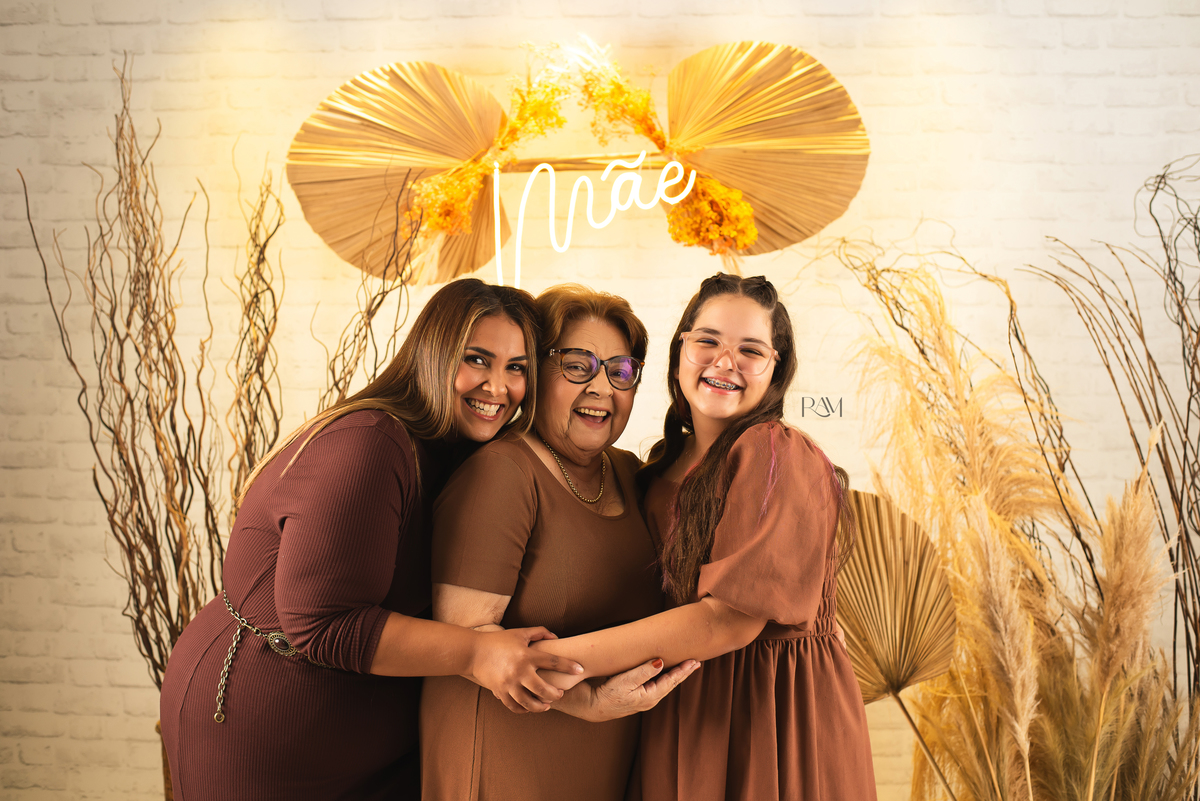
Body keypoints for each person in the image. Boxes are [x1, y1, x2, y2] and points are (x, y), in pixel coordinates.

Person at [159, 279, 585, 801]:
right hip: (265, 723)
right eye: (477, 360)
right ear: (433, 354)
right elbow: (322, 622)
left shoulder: (466, 452)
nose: (497, 387)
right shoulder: (371, 441)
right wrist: (479, 652)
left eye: (516, 368)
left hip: (368, 741)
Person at [533, 273, 878, 801]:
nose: (725, 362)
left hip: (768, 717)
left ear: (776, 369)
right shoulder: (653, 472)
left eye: (751, 350)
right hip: (674, 709)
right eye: (708, 341)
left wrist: (556, 661)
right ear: (679, 354)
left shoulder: (777, 453)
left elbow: (728, 621)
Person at [421, 285, 699, 801]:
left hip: (604, 753)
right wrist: (586, 700)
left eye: (620, 371)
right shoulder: (502, 472)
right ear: (535, 372)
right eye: (577, 365)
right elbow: (464, 642)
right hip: (506, 752)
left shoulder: (627, 472)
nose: (602, 388)